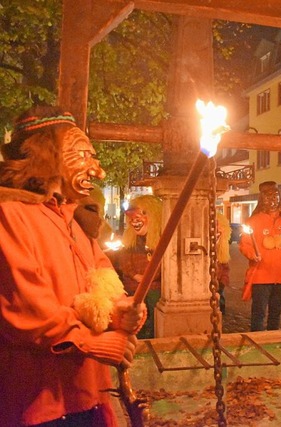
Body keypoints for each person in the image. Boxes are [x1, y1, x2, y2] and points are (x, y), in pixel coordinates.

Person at [0, 105, 145, 426]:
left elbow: (103, 280)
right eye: (82, 156)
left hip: (89, 393)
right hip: (39, 401)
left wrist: (122, 310)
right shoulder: (10, 215)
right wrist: (93, 342)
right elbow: (27, 311)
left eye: (94, 158)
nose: (98, 171)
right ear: (45, 155)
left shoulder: (76, 221)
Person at [239, 181, 281, 331]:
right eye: (268, 197)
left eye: (275, 196)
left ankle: (274, 338)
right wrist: (252, 254)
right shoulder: (253, 222)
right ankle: (257, 340)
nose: (272, 200)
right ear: (262, 199)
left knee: (275, 314)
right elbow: (245, 244)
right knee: (258, 313)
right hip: (261, 276)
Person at [111, 194, 162, 339]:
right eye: (132, 217)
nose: (135, 220)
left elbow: (163, 263)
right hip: (133, 286)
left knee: (153, 312)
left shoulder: (159, 239)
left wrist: (150, 277)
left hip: (153, 287)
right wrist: (134, 275)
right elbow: (124, 261)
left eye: (143, 214)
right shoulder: (130, 240)